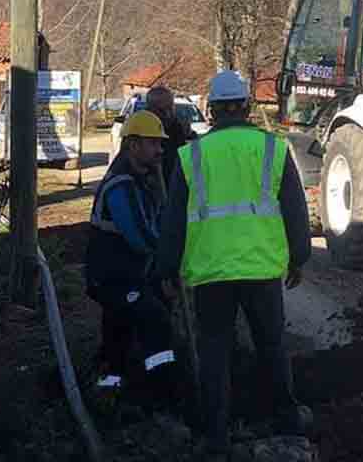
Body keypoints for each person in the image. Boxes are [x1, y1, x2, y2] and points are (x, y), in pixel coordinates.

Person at [154, 71, 313, 458]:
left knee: (214, 353)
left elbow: (173, 221)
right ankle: (286, 418)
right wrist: (299, 257)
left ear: (211, 109)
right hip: (262, 270)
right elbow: (296, 210)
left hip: (211, 273)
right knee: (272, 346)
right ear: (246, 106)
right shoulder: (273, 149)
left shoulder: (191, 156)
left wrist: (167, 269)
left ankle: (216, 434)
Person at [84, 110, 179, 404]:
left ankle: (111, 384)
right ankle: (161, 389)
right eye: (153, 143)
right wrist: (171, 257)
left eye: (160, 144)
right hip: (113, 278)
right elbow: (142, 237)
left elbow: (156, 222)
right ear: (133, 145)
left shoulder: (142, 180)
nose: (160, 150)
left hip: (127, 275)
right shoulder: (121, 185)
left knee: (119, 332)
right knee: (156, 320)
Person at [146, 85, 197, 183]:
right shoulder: (141, 131)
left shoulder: (180, 128)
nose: (167, 114)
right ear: (149, 109)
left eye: (170, 108)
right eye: (161, 110)